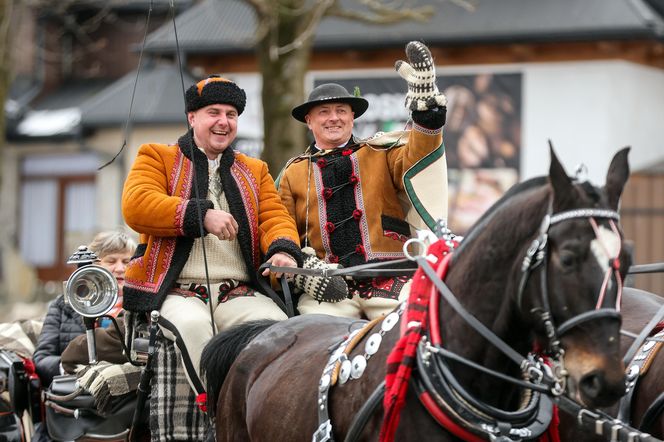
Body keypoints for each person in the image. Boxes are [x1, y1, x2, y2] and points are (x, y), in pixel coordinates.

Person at [121, 75, 302, 398]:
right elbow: (136, 205)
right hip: (177, 291)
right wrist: (200, 215)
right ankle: (217, 409)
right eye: (214, 113)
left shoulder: (254, 169)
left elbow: (275, 217)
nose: (223, 122)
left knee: (277, 327)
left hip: (238, 291)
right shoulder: (156, 156)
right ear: (192, 118)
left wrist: (283, 251)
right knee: (192, 327)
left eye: (231, 115)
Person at [277, 41, 448, 320]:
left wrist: (426, 114)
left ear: (352, 117)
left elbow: (419, 156)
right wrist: (302, 264)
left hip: (390, 281)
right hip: (328, 289)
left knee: (418, 323)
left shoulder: (382, 152)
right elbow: (279, 227)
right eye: (324, 112)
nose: (334, 118)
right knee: (310, 336)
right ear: (309, 121)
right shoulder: (293, 172)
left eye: (341, 110)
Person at [33, 230, 136, 387]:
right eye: (111, 261)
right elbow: (42, 361)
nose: (120, 268)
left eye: (127, 261)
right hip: (72, 393)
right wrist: (71, 367)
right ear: (93, 266)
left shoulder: (140, 308)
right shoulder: (63, 306)